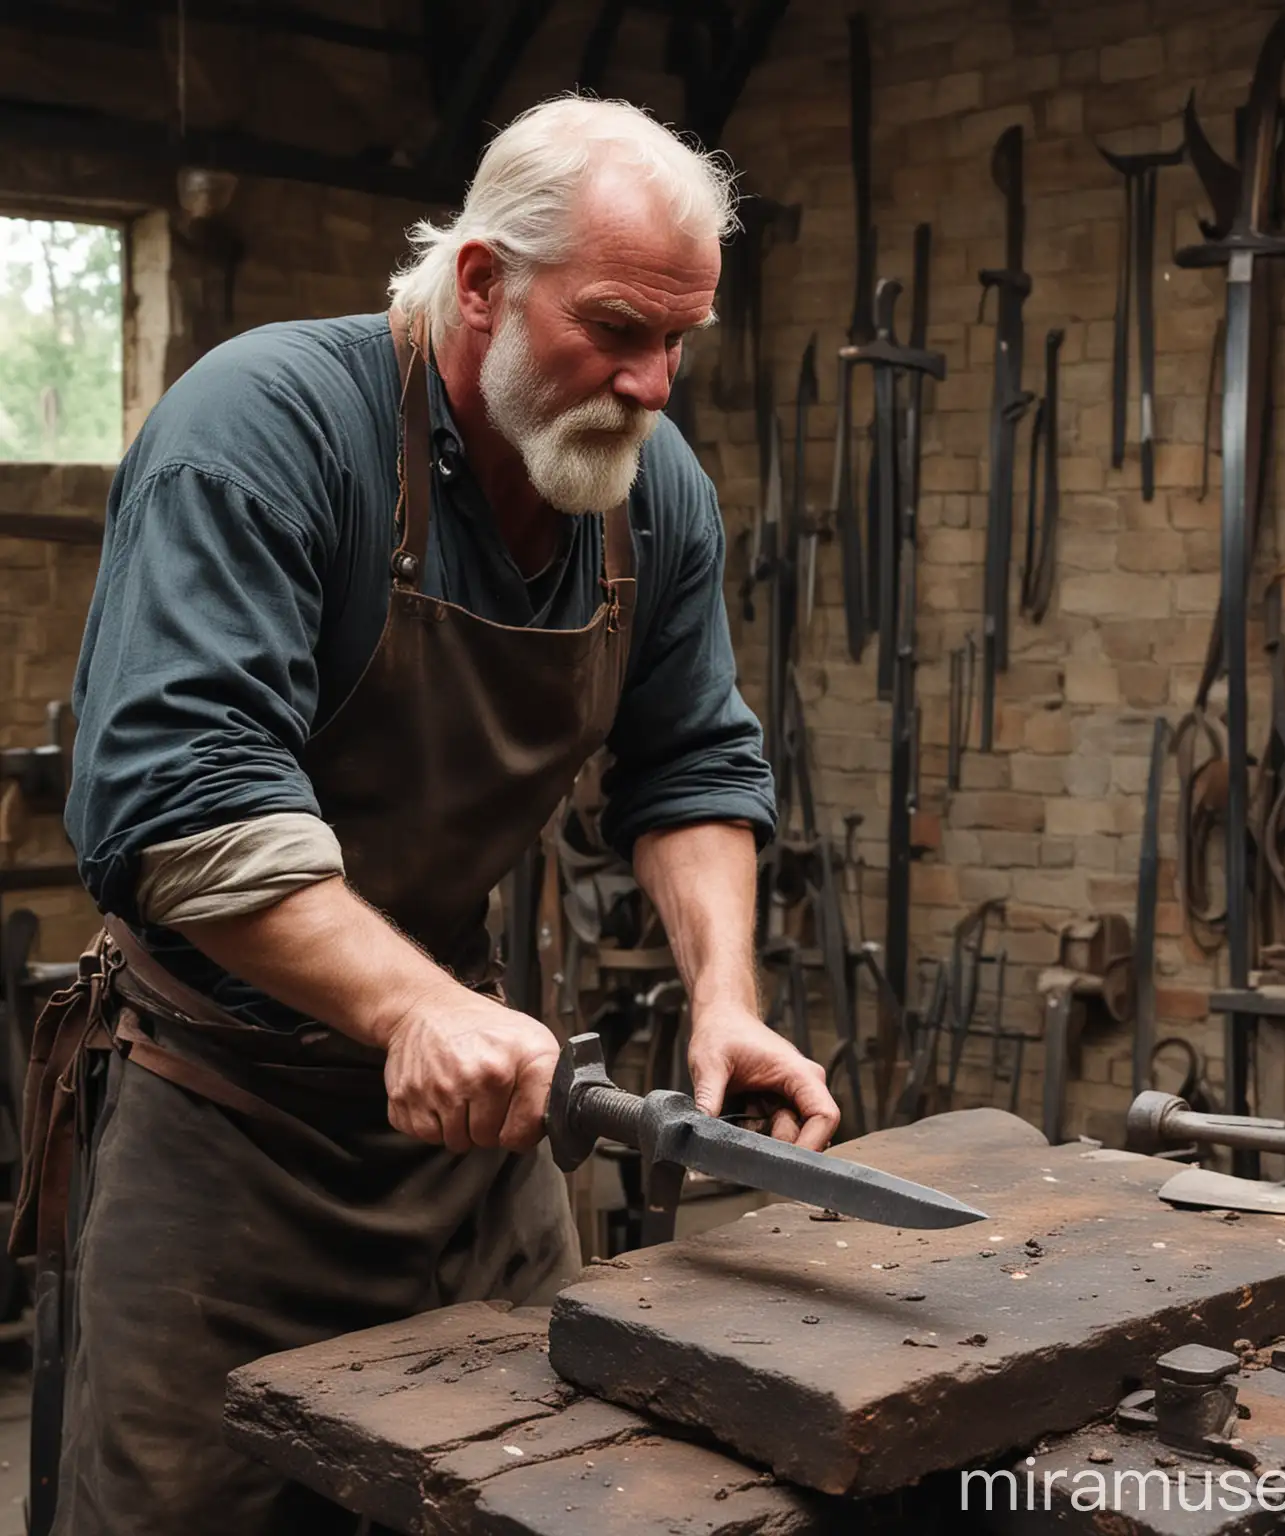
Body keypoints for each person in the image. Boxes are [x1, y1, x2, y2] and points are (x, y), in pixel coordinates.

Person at [34, 94, 838, 1536]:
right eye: (616, 329)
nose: (655, 384)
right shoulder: (267, 431)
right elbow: (185, 803)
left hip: (475, 1139)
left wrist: (726, 997)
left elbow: (694, 768)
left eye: (679, 342)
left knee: (551, 1494)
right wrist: (411, 1010)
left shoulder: (653, 504)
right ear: (482, 284)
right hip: (225, 1128)